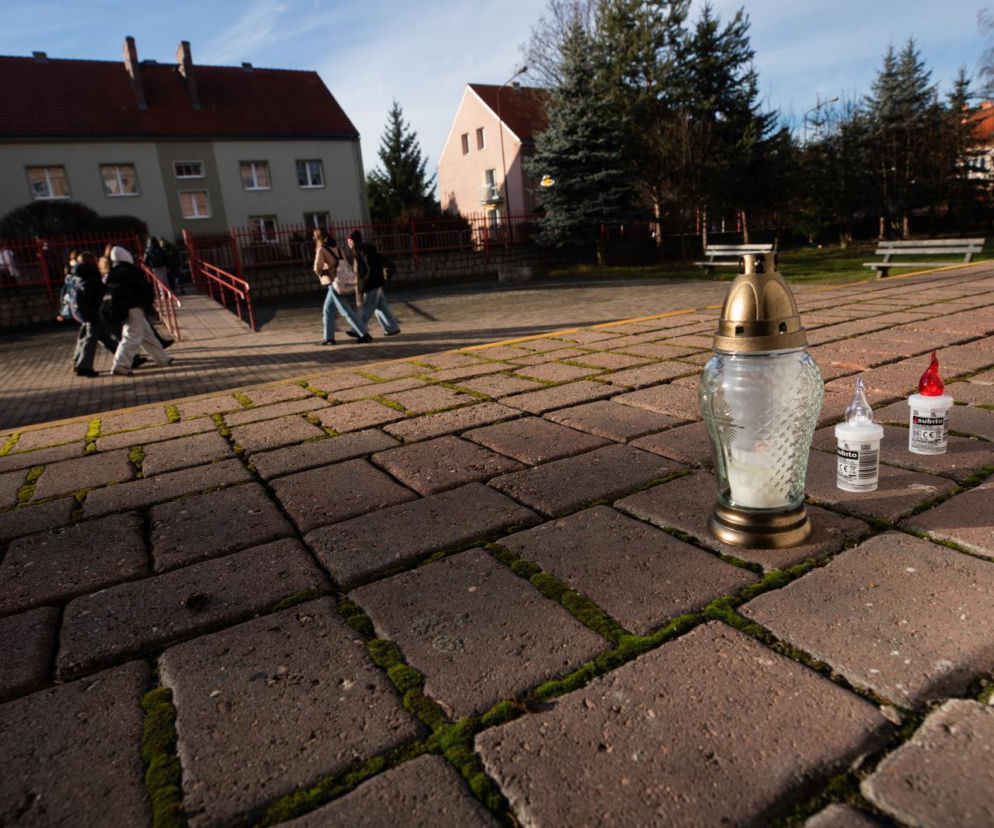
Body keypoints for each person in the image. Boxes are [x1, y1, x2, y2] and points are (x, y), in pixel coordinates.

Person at [102, 246, 171, 376]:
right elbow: (144, 288)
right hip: (133, 306)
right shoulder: (130, 271)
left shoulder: (113, 273)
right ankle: (120, 364)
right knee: (132, 336)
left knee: (147, 334)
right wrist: (149, 301)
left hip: (122, 307)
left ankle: (162, 358)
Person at [313, 229, 370, 346]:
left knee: (346, 311)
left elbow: (317, 268)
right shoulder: (338, 249)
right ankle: (329, 337)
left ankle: (364, 334)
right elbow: (345, 264)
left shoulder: (321, 249)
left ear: (319, 238)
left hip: (334, 284)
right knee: (327, 310)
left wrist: (322, 272)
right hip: (340, 282)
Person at [70, 252, 118, 377]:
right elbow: (99, 294)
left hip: (83, 312)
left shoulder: (77, 276)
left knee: (102, 336)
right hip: (92, 312)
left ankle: (126, 357)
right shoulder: (92, 276)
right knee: (91, 338)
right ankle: (84, 366)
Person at [347, 228, 401, 337]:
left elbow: (370, 269)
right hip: (376, 282)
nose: (348, 243)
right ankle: (392, 328)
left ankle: (357, 329)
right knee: (381, 306)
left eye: (350, 240)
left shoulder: (363, 251)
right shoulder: (362, 250)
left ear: (355, 241)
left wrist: (365, 284)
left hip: (372, 283)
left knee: (367, 307)